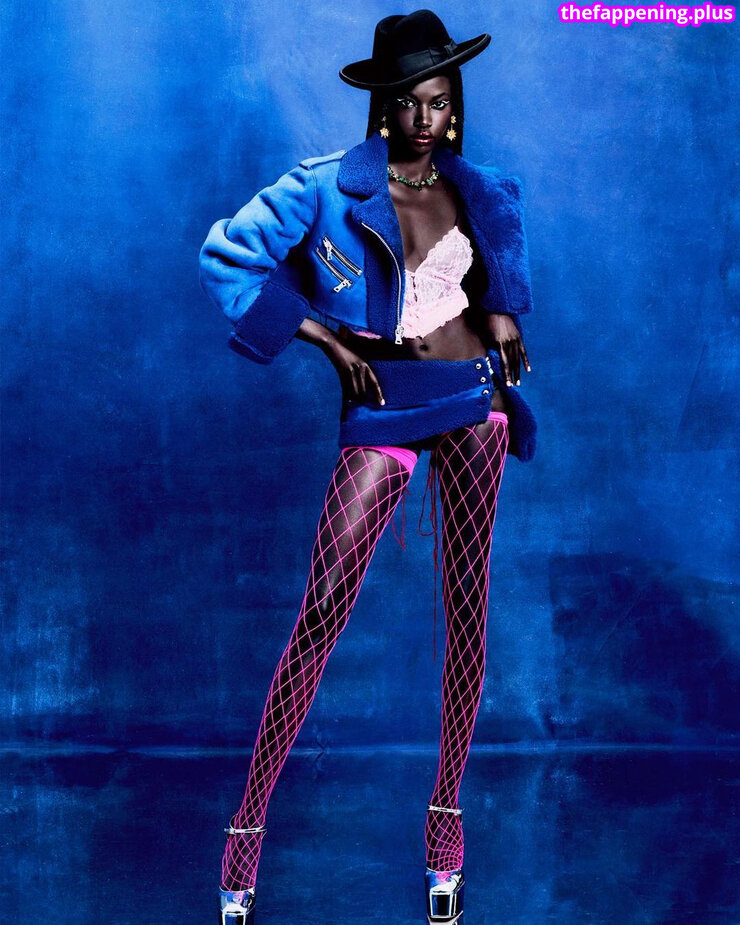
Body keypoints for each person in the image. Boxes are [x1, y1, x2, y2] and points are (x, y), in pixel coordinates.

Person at [199, 10, 537, 924]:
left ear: (454, 107)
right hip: (383, 407)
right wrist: (322, 338)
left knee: (466, 609)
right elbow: (227, 255)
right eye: (410, 102)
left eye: (441, 101)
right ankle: (244, 836)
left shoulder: (481, 192)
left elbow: (493, 269)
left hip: (471, 401)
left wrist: (503, 308)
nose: (426, 118)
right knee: (321, 613)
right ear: (384, 107)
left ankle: (445, 827)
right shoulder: (325, 187)